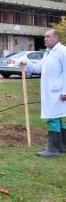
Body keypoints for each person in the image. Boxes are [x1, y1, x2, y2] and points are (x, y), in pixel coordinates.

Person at [21, 29, 66, 157]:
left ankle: (52, 149)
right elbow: (39, 67)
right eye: (45, 36)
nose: (45, 38)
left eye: (48, 36)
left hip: (57, 92)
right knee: (57, 117)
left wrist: (65, 91)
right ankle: (62, 146)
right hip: (50, 92)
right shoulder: (48, 53)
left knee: (53, 118)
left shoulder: (62, 51)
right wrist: (27, 64)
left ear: (56, 38)